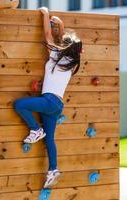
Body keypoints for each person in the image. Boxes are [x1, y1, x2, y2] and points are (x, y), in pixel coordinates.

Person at [13, 6, 83, 188]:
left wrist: (45, 15)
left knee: (20, 105)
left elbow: (47, 34)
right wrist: (60, 23)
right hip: (57, 105)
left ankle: (35, 129)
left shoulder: (56, 56)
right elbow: (63, 40)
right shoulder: (72, 62)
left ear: (65, 47)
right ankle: (53, 170)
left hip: (49, 100)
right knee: (50, 140)